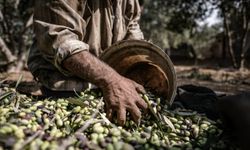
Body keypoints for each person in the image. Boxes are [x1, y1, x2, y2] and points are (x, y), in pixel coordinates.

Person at [27, 0, 148, 126]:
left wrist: (142, 68)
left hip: (110, 83)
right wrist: (111, 80)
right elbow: (61, 42)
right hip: (66, 82)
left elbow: (133, 33)